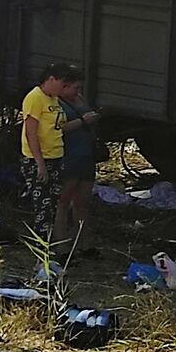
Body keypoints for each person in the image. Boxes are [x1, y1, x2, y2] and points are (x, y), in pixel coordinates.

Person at [20, 63, 89, 244]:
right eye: (62, 84)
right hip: (40, 159)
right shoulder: (35, 98)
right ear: (51, 79)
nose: (63, 88)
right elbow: (31, 132)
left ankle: (54, 246)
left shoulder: (53, 99)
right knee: (43, 207)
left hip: (56, 157)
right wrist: (40, 163)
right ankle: (42, 249)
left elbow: (56, 127)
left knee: (53, 204)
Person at [58, 79, 102, 256]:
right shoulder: (56, 103)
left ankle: (83, 244)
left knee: (82, 202)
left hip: (87, 155)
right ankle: (61, 246)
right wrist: (83, 121)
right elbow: (57, 128)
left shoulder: (79, 99)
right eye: (75, 87)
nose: (78, 91)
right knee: (63, 201)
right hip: (70, 155)